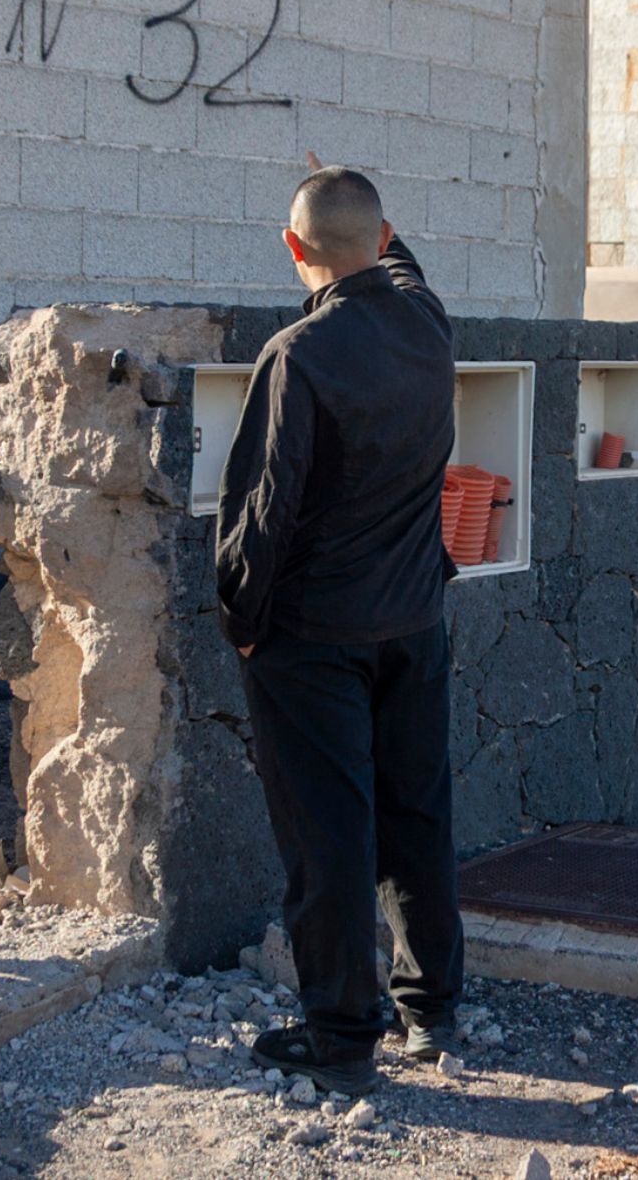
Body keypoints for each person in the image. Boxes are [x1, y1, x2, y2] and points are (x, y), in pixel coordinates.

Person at [216, 155, 464, 1097]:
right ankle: (432, 1008)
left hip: (315, 635)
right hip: (413, 619)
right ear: (387, 240)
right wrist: (362, 206)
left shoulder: (299, 354)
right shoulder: (428, 323)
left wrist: (242, 617)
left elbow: (262, 508)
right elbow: (401, 265)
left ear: (293, 250)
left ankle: (342, 1037)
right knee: (417, 813)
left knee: (329, 834)